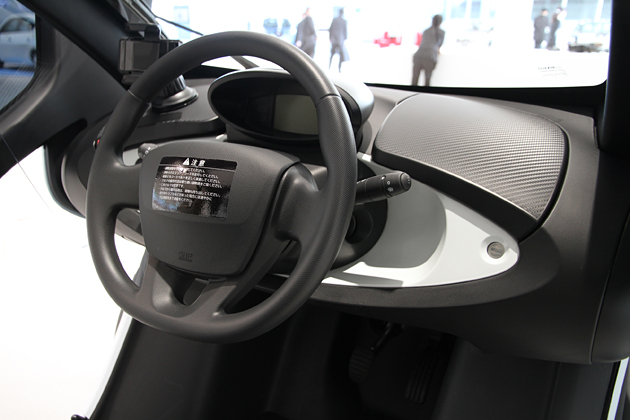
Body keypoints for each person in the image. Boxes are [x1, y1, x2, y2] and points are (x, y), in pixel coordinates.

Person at [412, 14, 445, 87]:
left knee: (414, 81)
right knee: (427, 81)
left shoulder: (426, 31)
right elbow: (438, 44)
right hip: (430, 57)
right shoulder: (441, 32)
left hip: (418, 56)